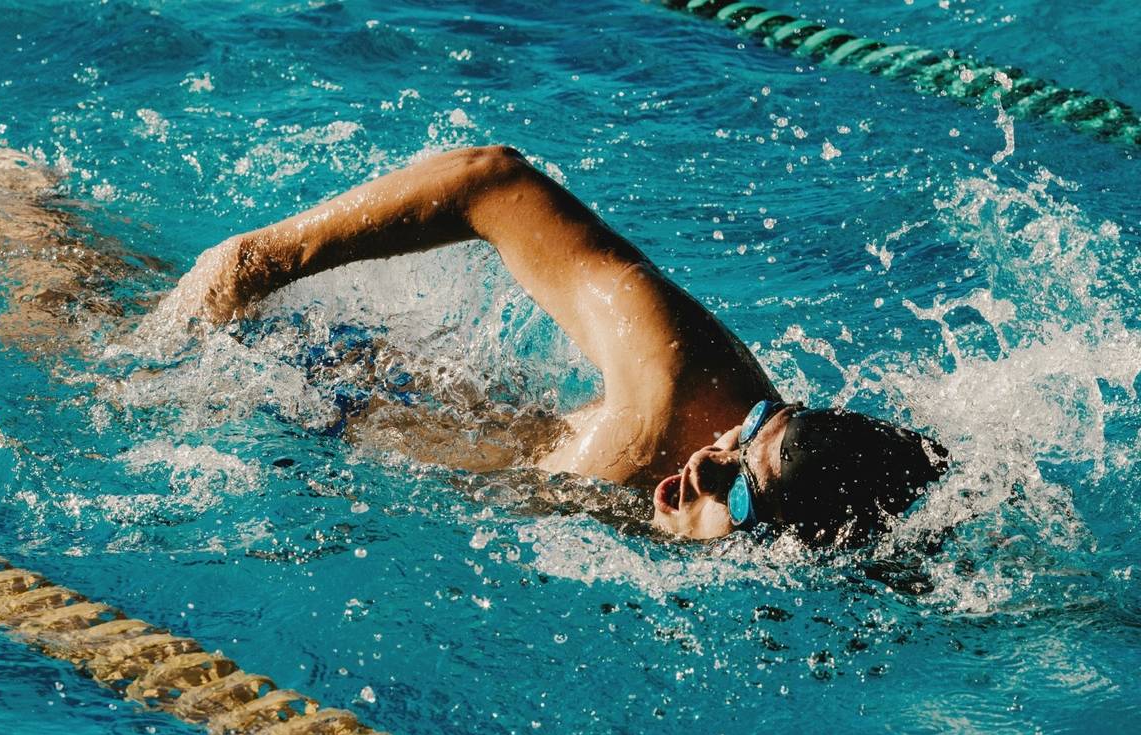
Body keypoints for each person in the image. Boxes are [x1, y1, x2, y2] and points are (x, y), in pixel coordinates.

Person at [163, 146, 947, 546]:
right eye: (748, 433)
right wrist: (256, 261)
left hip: (336, 461)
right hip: (298, 391)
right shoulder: (674, 390)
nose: (708, 460)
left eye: (739, 489)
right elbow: (491, 179)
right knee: (62, 306)